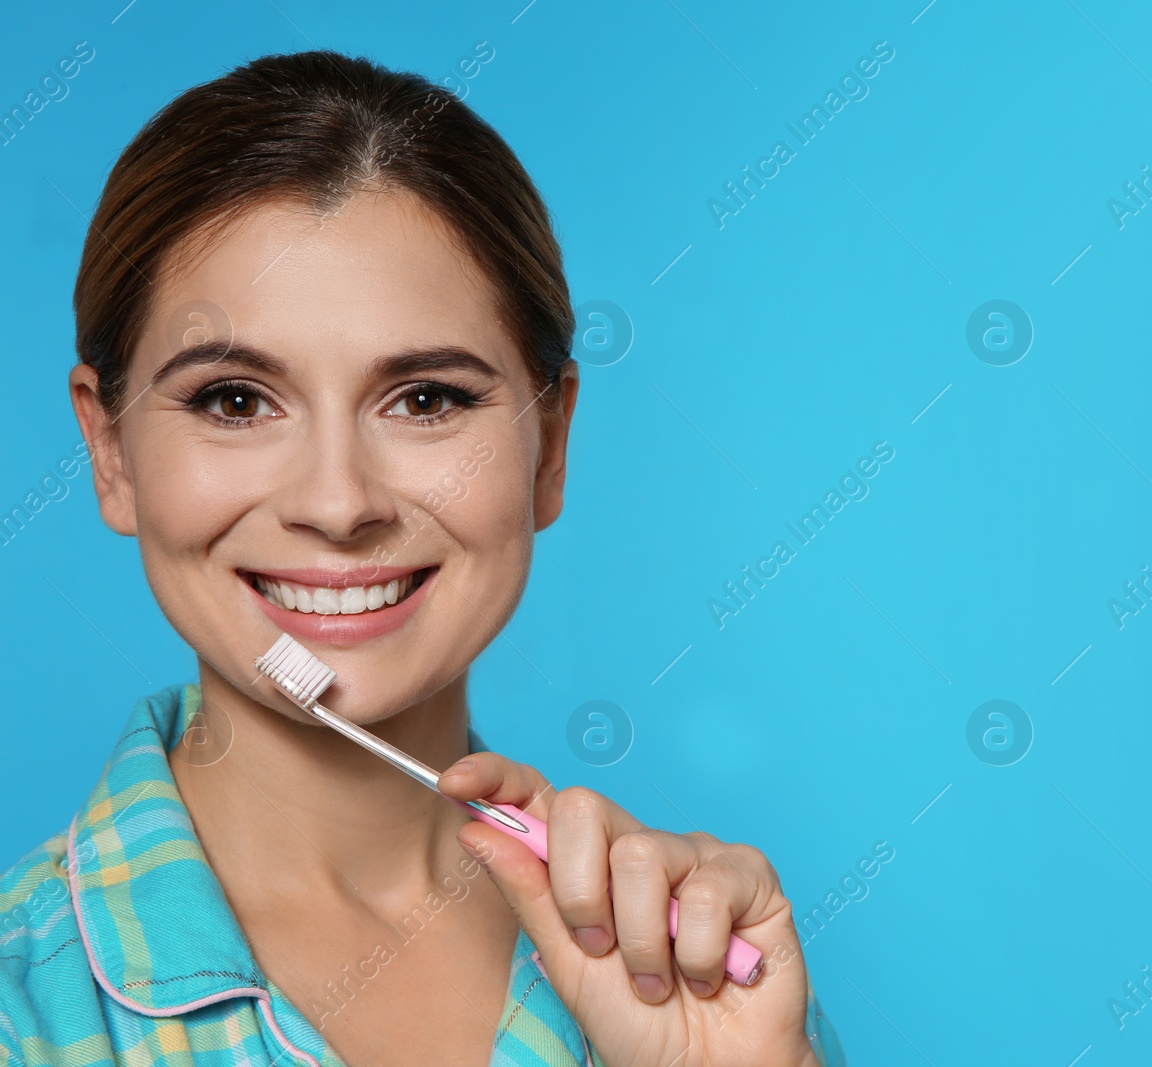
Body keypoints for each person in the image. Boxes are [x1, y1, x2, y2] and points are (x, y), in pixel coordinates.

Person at [0, 49, 843, 1067]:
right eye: (234, 400)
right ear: (110, 451)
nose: (337, 503)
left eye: (427, 398)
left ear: (552, 443)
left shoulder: (696, 979)